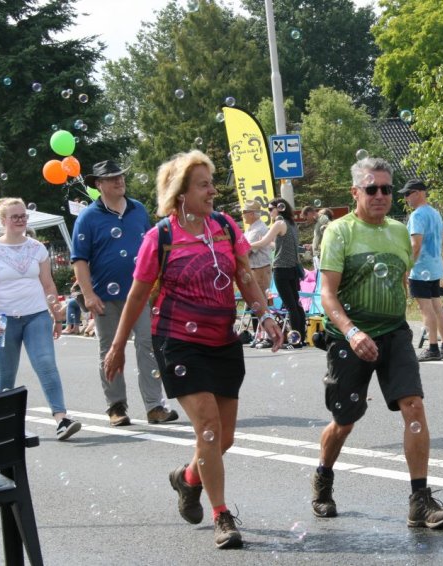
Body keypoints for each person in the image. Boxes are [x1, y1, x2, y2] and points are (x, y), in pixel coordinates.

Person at [102, 150, 283, 549]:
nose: (212, 191)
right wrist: (117, 346)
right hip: (178, 342)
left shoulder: (223, 225)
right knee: (209, 430)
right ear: (180, 193)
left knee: (225, 438)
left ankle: (186, 479)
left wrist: (265, 316)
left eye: (211, 183)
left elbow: (243, 275)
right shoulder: (160, 237)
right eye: (203, 184)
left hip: (223, 340)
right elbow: (135, 296)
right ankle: (222, 516)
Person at [310, 157, 443, 530]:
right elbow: (327, 294)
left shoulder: (398, 232)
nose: (380, 195)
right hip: (350, 336)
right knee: (344, 422)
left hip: (393, 333)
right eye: (372, 188)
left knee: (414, 406)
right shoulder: (339, 232)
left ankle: (419, 500)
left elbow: (399, 277)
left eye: (387, 189)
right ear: (355, 192)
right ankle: (324, 477)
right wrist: (353, 332)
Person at [72, 160, 177, 426]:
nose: (119, 181)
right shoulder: (88, 217)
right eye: (111, 178)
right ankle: (116, 406)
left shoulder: (138, 210)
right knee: (109, 350)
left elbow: (154, 248)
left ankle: (155, 406)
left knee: (148, 347)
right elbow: (80, 260)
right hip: (105, 297)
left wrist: (160, 283)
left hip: (139, 293)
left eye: (120, 176)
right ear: (99, 184)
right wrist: (88, 294)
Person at [0, 198, 81, 440]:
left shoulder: (37, 248)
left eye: (23, 215)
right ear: (3, 221)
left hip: (36, 316)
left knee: (46, 364)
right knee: (7, 372)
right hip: (2, 319)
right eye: (15, 216)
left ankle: (61, 419)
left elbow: (47, 284)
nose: (21, 220)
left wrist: (56, 315)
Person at [401, 179, 443, 361]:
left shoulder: (417, 216)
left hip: (420, 267)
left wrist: (407, 267)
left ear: (418, 193)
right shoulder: (435, 213)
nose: (406, 198)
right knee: (437, 306)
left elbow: (416, 244)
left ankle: (432, 348)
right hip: (435, 267)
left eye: (408, 194)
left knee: (426, 309)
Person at [250, 198, 306, 346]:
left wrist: (244, 245)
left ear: (279, 209)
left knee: (290, 306)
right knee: (296, 304)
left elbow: (262, 243)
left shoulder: (278, 223)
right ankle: (301, 338)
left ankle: (296, 340)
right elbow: (279, 246)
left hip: (281, 269)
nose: (269, 213)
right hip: (293, 269)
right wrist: (268, 242)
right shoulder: (291, 223)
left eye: (270, 209)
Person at [241, 200, 273, 347]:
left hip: (259, 269)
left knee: (261, 302)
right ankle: (258, 334)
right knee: (255, 303)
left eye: (245, 212)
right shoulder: (251, 228)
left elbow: (245, 251)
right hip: (254, 269)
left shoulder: (258, 229)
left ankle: (266, 336)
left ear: (253, 214)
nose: (243, 215)